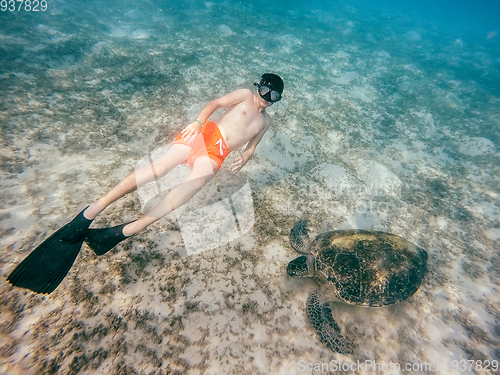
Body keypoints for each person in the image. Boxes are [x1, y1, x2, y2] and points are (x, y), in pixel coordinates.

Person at [7, 73, 284, 294]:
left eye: (274, 97)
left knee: (193, 186)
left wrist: (246, 158)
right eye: (265, 91)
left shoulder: (266, 120)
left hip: (218, 153)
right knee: (159, 168)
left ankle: (123, 231)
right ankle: (89, 212)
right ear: (257, 87)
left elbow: (252, 144)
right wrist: (198, 122)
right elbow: (215, 104)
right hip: (205, 133)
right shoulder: (245, 96)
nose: (267, 99)